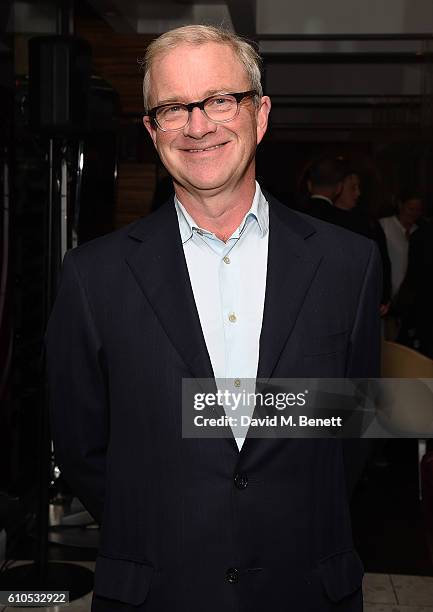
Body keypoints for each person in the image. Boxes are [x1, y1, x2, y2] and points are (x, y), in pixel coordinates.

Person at [45, 25, 381, 611]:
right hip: (158, 590)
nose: (199, 126)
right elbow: (82, 448)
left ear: (261, 114)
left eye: (220, 100)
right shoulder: (91, 277)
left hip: (305, 589)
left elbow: (350, 431)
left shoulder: (347, 264)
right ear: (153, 131)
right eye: (174, 108)